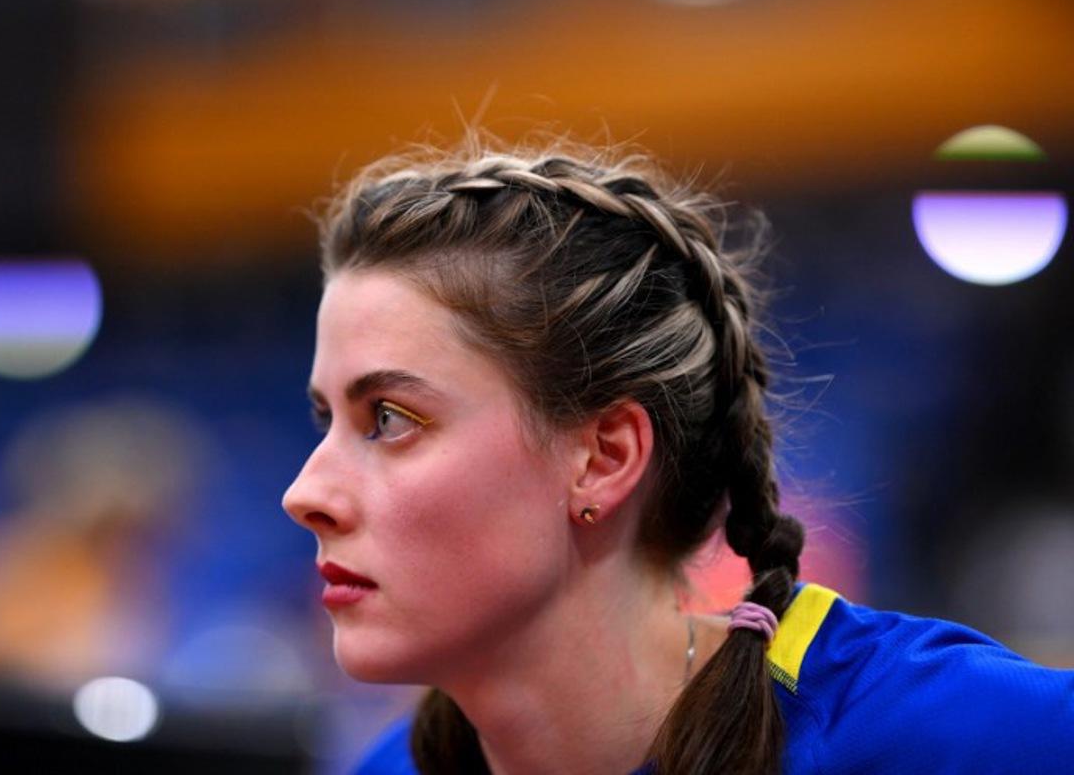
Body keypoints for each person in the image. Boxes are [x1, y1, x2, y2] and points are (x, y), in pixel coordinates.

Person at [281, 135, 1074, 775]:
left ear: (603, 458)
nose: (305, 493)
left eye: (389, 418)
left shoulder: (950, 731)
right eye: (326, 421)